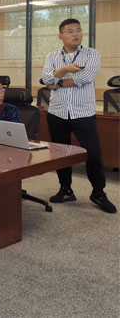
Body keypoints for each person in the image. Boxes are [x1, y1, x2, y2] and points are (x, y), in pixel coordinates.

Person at [41, 18, 116, 213]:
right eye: (70, 31)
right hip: (57, 112)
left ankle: (98, 193)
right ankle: (66, 189)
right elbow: (46, 79)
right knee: (60, 153)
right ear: (61, 35)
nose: (76, 34)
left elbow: (85, 77)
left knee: (93, 153)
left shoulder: (91, 54)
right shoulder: (52, 55)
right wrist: (65, 70)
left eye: (78, 30)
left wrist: (57, 81)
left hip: (83, 112)